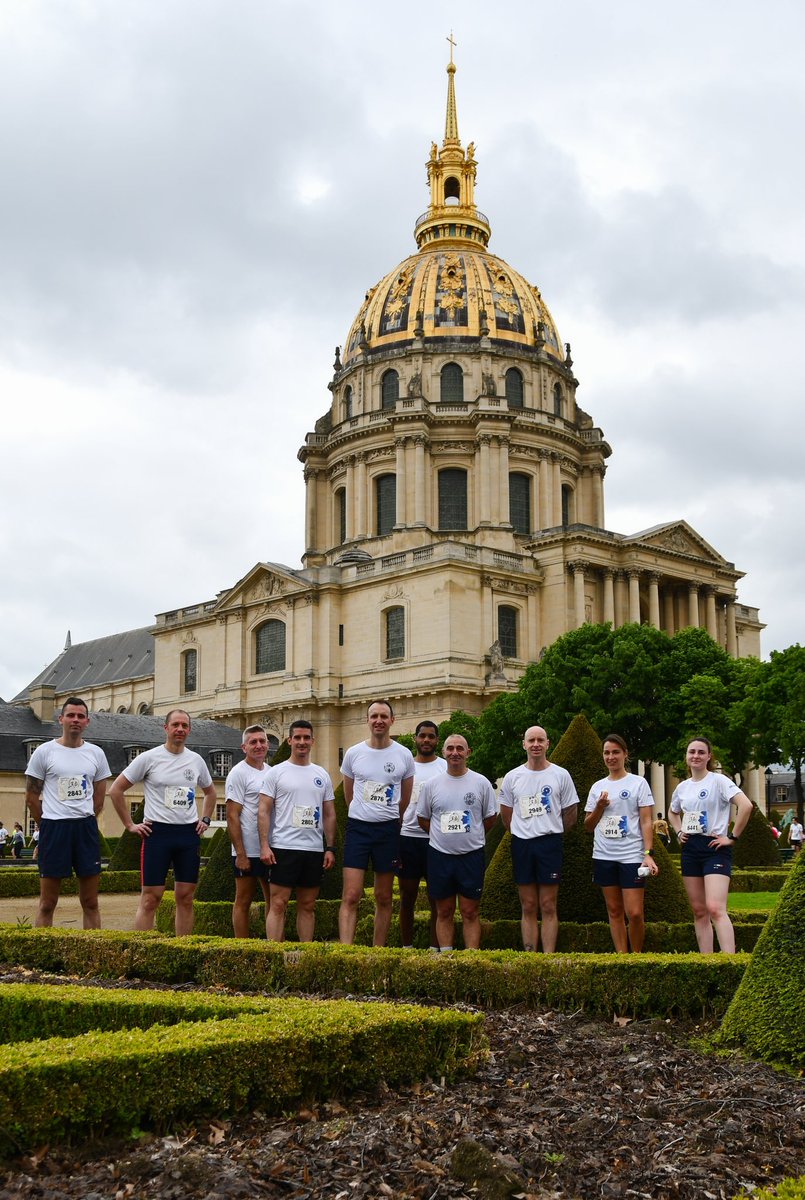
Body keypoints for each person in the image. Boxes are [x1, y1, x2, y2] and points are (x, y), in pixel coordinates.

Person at [110, 709, 217, 936]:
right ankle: (141, 950)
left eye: (184, 726)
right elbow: (116, 790)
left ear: (189, 730)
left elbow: (210, 793)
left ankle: (182, 950)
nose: (180, 729)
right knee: (150, 898)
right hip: (157, 834)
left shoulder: (195, 760)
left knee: (186, 898)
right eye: (175, 725)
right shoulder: (149, 758)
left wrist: (205, 819)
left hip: (188, 835)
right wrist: (130, 825)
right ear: (166, 728)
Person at [24, 696, 111, 928]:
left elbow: (99, 799)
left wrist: (82, 816)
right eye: (71, 715)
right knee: (47, 903)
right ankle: (42, 956)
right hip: (54, 828)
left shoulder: (96, 754)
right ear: (61, 719)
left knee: (91, 902)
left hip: (85, 828)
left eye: (80, 716)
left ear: (87, 722)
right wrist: (48, 826)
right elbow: (31, 798)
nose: (75, 720)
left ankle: (92, 955)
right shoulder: (44, 753)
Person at [338, 699, 415, 946]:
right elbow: (349, 797)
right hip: (358, 829)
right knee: (351, 895)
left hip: (388, 830)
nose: (378, 721)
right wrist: (363, 812)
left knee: (383, 896)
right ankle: (346, 952)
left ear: (392, 720)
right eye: (374, 716)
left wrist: (388, 817)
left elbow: (404, 798)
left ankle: (376, 951)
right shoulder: (354, 753)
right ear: (367, 721)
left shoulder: (403, 755)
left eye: (383, 716)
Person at [668, 736, 753, 954]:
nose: (695, 756)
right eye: (692, 752)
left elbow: (745, 805)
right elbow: (672, 811)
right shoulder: (682, 788)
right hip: (691, 848)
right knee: (699, 910)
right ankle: (707, 961)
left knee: (716, 908)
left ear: (708, 756)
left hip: (715, 847)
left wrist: (732, 837)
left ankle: (729, 961)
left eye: (700, 752)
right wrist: (678, 831)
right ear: (686, 757)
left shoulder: (719, 781)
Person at [499, 725, 579, 953]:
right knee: (529, 905)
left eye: (540, 740)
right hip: (522, 844)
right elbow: (506, 816)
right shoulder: (513, 777)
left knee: (548, 905)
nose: (535, 744)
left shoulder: (560, 775)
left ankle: (548, 957)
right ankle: (530, 956)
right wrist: (522, 832)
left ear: (547, 744)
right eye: (531, 740)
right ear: (524, 744)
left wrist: (552, 830)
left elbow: (571, 813)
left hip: (549, 844)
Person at [416, 733, 498, 951]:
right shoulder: (432, 785)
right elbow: (423, 818)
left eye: (460, 748)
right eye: (450, 748)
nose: (455, 752)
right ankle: (447, 958)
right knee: (444, 911)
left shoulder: (481, 783)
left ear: (468, 752)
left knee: (470, 911)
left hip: (471, 856)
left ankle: (471, 958)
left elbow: (490, 819)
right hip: (440, 856)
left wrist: (473, 835)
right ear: (443, 753)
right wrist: (442, 836)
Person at [259, 719, 336, 942]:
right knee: (278, 904)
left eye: (306, 738)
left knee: (308, 905)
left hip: (312, 849)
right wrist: (265, 845)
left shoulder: (321, 774)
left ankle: (305, 954)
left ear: (313, 741)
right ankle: (274, 955)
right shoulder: (276, 773)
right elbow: (263, 810)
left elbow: (330, 813)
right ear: (289, 740)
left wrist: (330, 847)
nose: (302, 742)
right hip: (283, 848)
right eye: (298, 738)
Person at [584, 734, 659, 953]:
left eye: (615, 752)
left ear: (625, 754)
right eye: (607, 752)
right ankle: (621, 957)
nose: (611, 757)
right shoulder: (597, 787)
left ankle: (635, 956)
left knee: (634, 912)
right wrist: (599, 807)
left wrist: (648, 853)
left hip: (631, 856)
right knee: (614, 910)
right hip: (604, 855)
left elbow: (646, 821)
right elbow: (588, 826)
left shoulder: (638, 783)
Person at [398, 720, 446, 949]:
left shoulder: (445, 768)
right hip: (408, 837)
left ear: (437, 740)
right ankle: (407, 947)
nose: (426, 740)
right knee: (407, 898)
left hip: (436, 841)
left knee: (437, 899)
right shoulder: (406, 767)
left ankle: (435, 948)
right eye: (422, 736)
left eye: (431, 736)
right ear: (415, 739)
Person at [225, 724, 271, 938]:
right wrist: (240, 853)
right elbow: (232, 816)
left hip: (270, 848)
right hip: (248, 849)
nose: (259, 745)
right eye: (253, 742)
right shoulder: (238, 773)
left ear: (268, 744)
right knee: (243, 900)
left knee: (275, 900)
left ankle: (273, 945)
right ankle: (241, 947)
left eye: (262, 741)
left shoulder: (272, 772)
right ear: (244, 747)